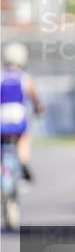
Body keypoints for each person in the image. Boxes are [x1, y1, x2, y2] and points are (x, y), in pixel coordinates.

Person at [0, 42, 44, 182]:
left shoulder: (1, 76)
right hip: (18, 113)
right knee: (23, 137)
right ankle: (23, 163)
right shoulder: (24, 77)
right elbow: (34, 97)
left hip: (2, 114)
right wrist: (39, 108)